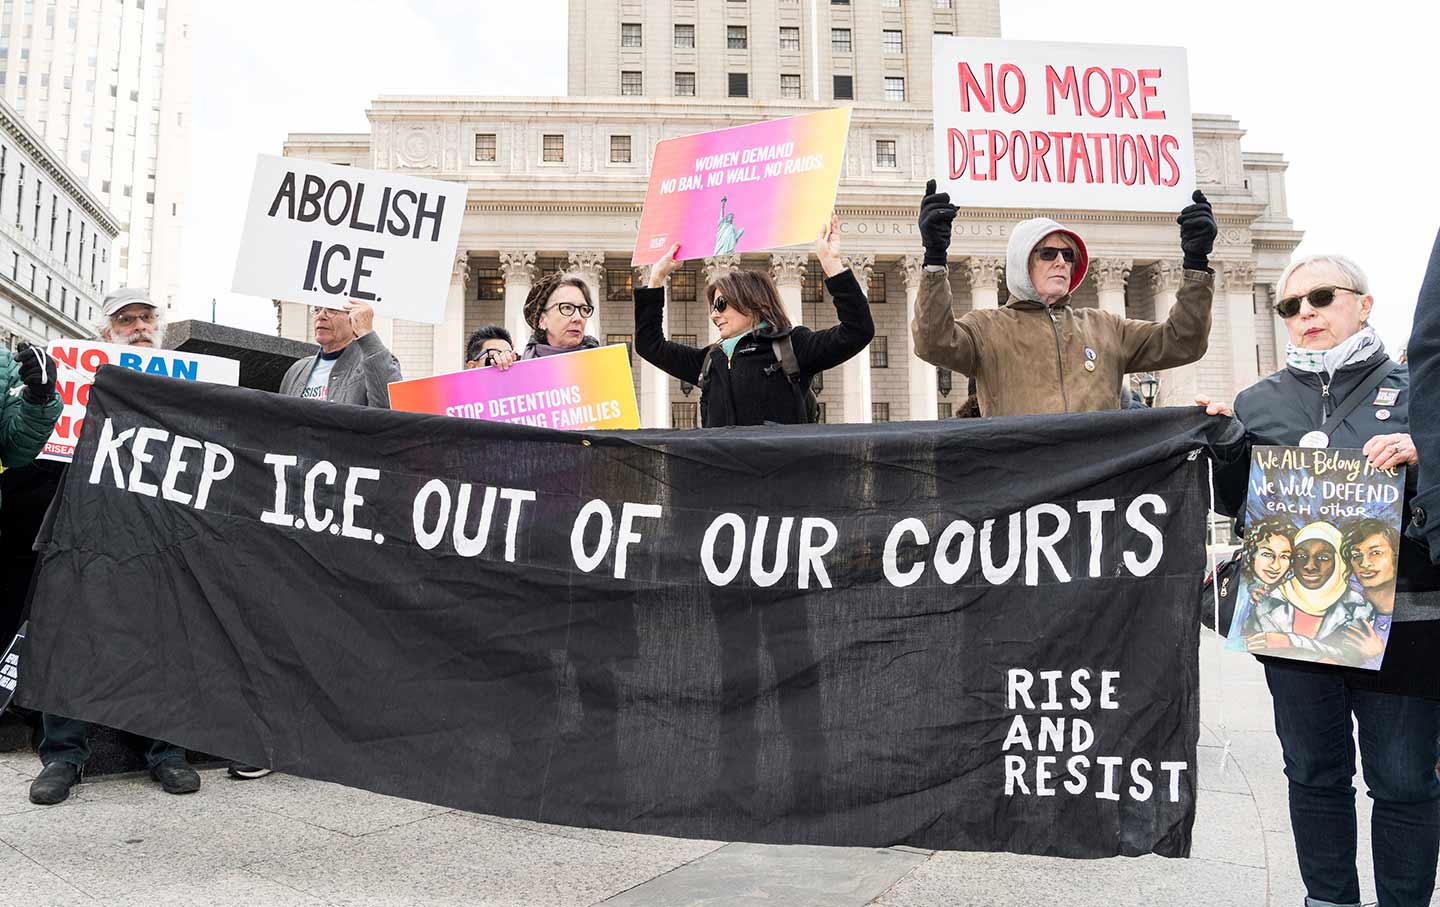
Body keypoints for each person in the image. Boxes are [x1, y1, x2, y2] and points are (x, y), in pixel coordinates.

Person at [1204, 252, 1440, 907]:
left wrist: (1427, 454)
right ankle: (1328, 899)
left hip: (1409, 615)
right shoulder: (1259, 400)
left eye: (1322, 298)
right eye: (1291, 305)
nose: (1305, 313)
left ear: (1364, 304)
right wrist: (1225, 447)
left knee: (1403, 779)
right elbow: (1234, 506)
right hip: (1298, 622)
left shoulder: (1422, 389)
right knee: (1313, 773)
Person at [27, 288, 204, 805]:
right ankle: (62, 755)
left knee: (166, 635)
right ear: (107, 332)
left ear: (160, 325)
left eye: (146, 317)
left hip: (162, 525)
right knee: (70, 632)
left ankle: (167, 752)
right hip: (88, 519)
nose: (138, 326)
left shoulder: (189, 381)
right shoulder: (84, 377)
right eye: (126, 320)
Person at [911, 180, 1217, 417]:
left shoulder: (1106, 326)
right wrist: (935, 259)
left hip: (1099, 484)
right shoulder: (985, 328)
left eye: (1068, 255)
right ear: (1022, 263)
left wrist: (1196, 261)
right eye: (1048, 253)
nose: (1061, 262)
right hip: (1025, 485)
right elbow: (933, 342)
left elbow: (1182, 341)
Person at [635, 215, 874, 427]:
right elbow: (649, 345)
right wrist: (656, 278)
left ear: (752, 303)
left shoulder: (793, 347)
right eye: (712, 307)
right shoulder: (709, 361)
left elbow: (857, 331)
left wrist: (833, 266)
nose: (713, 315)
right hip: (721, 476)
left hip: (782, 475)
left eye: (720, 304)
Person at [1244, 521, 1371, 661]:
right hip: (1284, 676)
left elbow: (1353, 656)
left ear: (1339, 561)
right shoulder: (1266, 601)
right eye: (1301, 556)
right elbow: (1255, 646)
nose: (1310, 566)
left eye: (1323, 558)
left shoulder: (1357, 607)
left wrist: (1291, 641)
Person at [278, 300, 402, 407]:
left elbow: (389, 408)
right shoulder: (297, 370)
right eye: (317, 309)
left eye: (332, 309)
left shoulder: (376, 363)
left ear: (354, 318)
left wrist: (366, 333)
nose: (321, 316)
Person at [1340, 518, 1400, 668]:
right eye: (1356, 556)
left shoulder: (1417, 605)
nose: (1364, 564)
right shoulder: (1341, 597)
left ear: (1396, 555)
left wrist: (1375, 656)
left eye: (1375, 553)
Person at [517, 273, 601, 361]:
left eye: (584, 309)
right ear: (542, 320)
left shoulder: (603, 362)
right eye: (567, 308)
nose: (578, 318)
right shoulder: (517, 367)